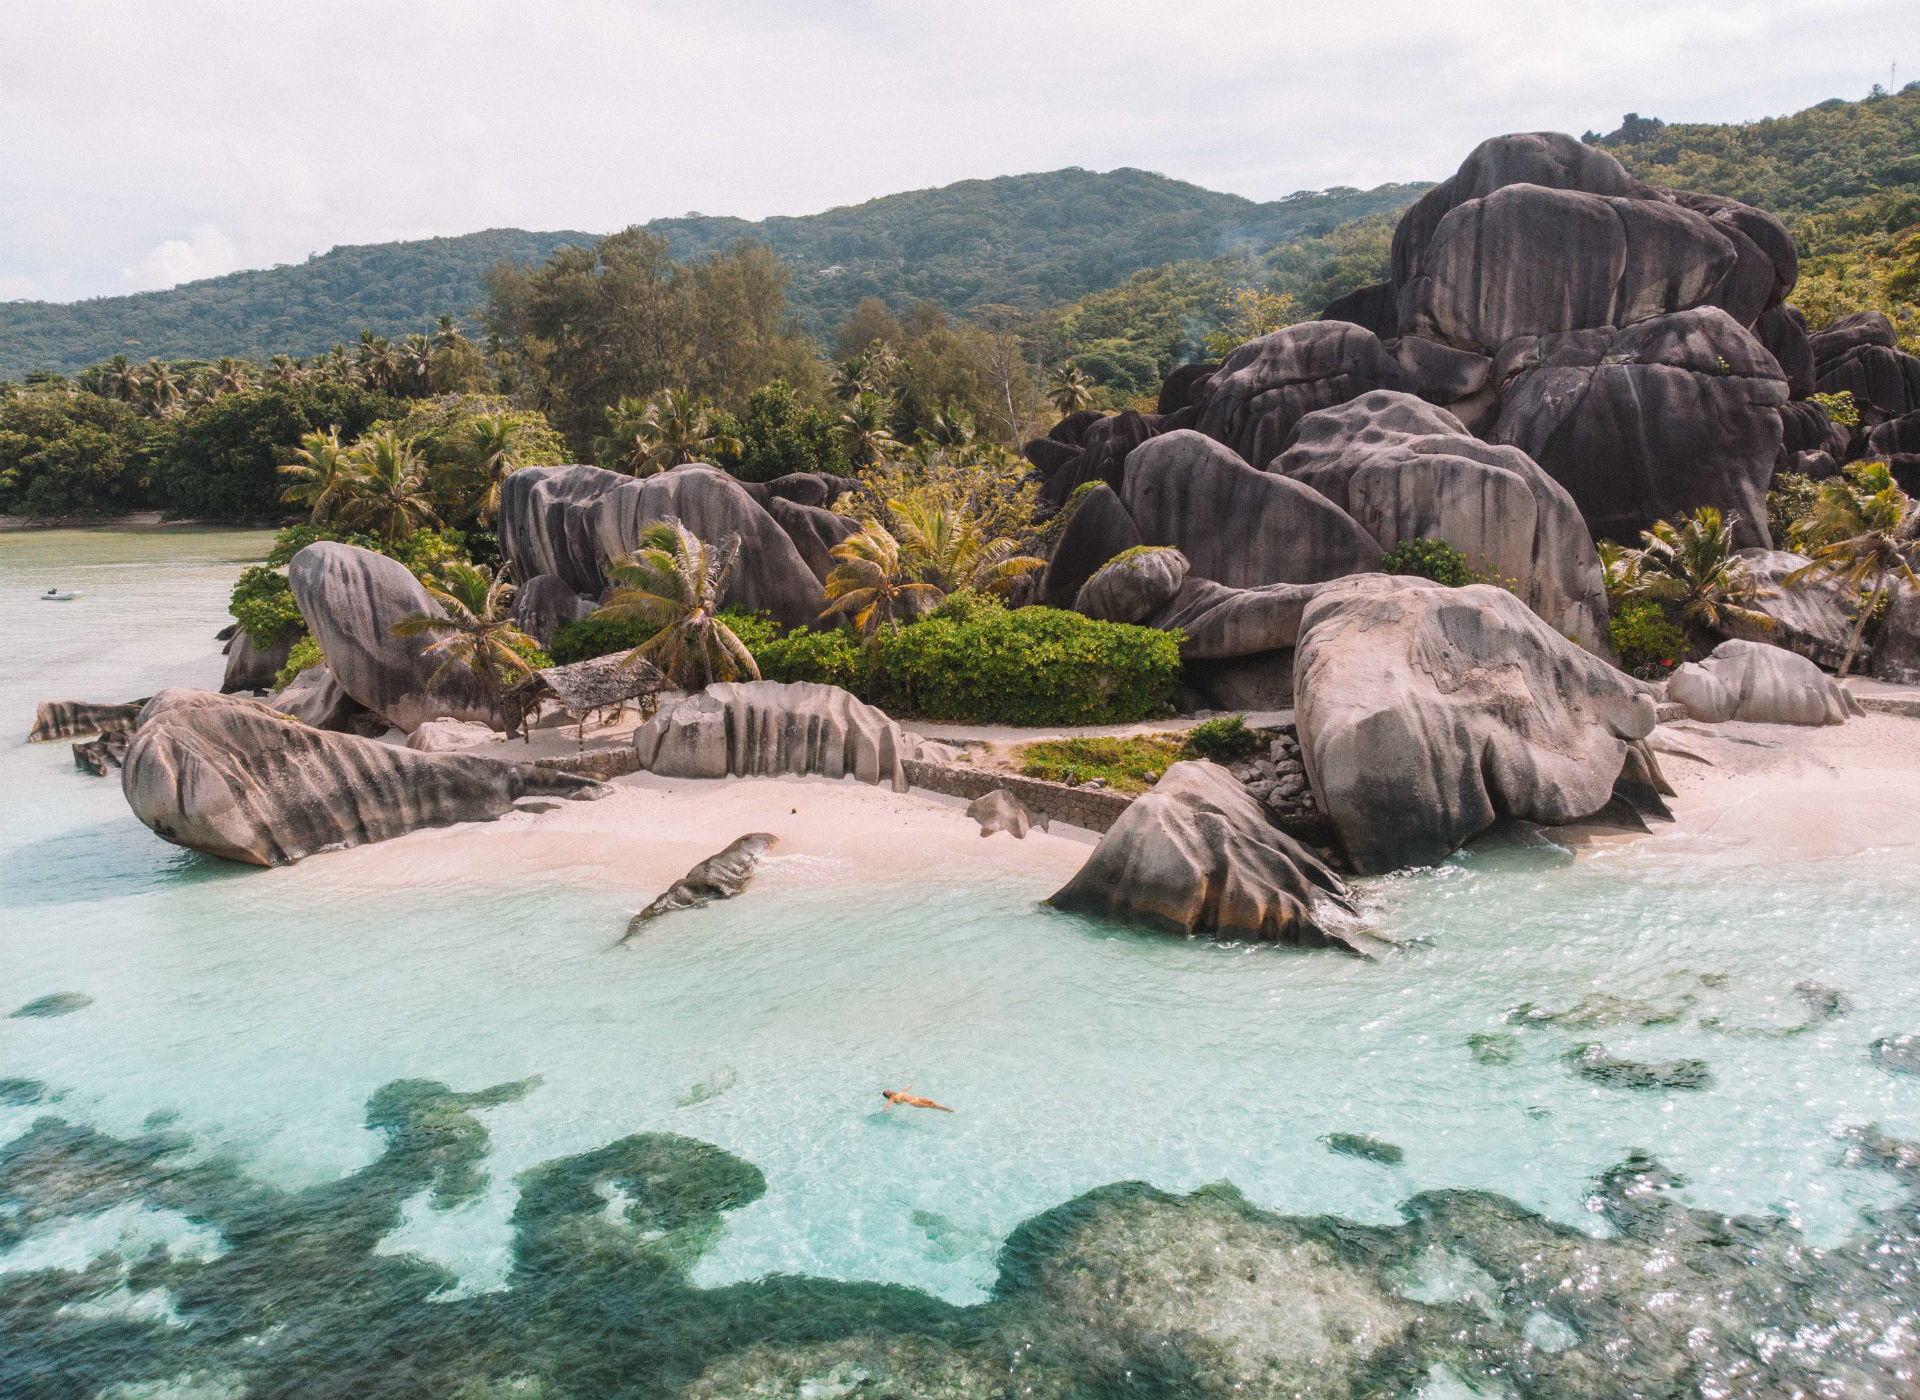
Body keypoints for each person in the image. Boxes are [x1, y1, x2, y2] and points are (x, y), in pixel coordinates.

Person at [881, 1084, 954, 1113]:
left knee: (931, 1102)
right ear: (887, 1095)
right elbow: (888, 1104)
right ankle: (947, 1110)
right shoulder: (892, 1098)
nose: (888, 1090)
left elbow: (903, 1091)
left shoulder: (896, 1093)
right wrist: (885, 1109)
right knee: (931, 1106)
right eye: (887, 1091)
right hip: (913, 1102)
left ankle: (946, 1109)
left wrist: (909, 1087)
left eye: (888, 1089)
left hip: (916, 1098)